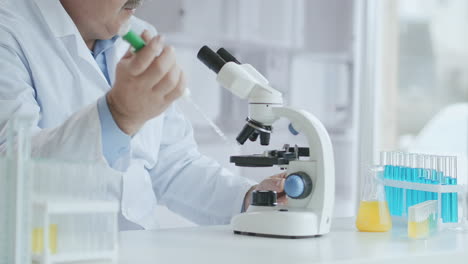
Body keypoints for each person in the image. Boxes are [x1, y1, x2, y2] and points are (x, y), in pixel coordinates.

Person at [0, 0, 286, 230]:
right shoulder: (8, 30)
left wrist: (248, 199)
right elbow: (13, 174)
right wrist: (118, 116)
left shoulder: (136, 34)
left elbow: (173, 165)